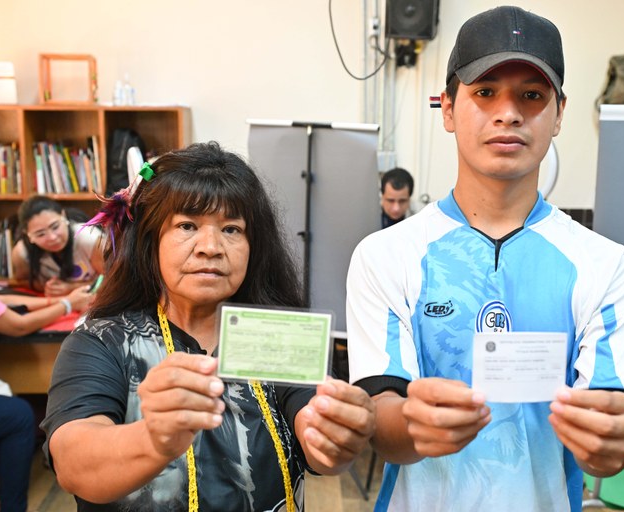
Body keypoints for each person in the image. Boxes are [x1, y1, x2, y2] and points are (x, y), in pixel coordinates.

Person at [345, 6, 624, 511]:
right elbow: (385, 423)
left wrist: (611, 441)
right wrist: (411, 423)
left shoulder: (608, 266)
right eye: (485, 92)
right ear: (446, 108)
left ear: (559, 114)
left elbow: (608, 436)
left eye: (532, 95)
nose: (508, 112)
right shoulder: (385, 255)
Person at [40, 142, 376, 511]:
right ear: (150, 240)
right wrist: (153, 439)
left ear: (254, 246)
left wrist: (334, 437)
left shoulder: (276, 335)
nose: (211, 247)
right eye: (187, 226)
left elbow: (320, 442)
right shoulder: (100, 341)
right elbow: (73, 461)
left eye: (232, 229)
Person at [0, 221, 93, 512]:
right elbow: (17, 325)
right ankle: (12, 506)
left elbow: (0, 300)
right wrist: (67, 306)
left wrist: (61, 299)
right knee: (18, 416)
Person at [11, 195, 104, 296]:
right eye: (40, 234)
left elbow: (115, 281)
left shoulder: (89, 238)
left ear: (63, 216)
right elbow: (21, 281)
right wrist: (47, 286)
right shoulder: (21, 252)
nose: (52, 237)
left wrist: (70, 288)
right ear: (28, 235)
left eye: (55, 227)